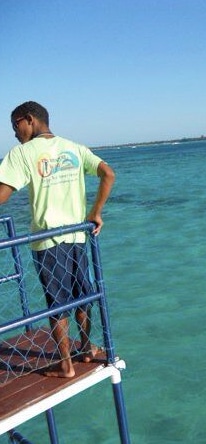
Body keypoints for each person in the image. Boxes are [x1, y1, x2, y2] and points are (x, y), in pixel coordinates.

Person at [0, 101, 115, 377]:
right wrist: (95, 213)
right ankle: (86, 348)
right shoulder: (74, 147)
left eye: (15, 125)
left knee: (57, 303)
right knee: (82, 295)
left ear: (28, 119)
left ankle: (65, 364)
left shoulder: (23, 153)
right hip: (77, 236)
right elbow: (108, 174)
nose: (14, 132)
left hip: (48, 241)